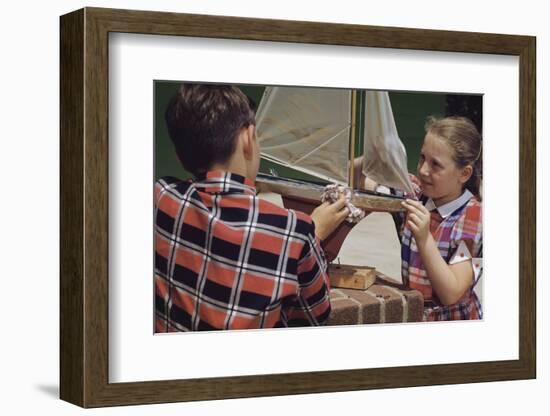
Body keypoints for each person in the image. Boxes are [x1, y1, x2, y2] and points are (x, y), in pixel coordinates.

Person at [155, 83, 349, 331]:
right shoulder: (294, 232)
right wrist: (314, 233)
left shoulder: (161, 198)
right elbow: (315, 317)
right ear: (248, 137)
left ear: (179, 156)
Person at [357, 116, 483, 321]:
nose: (423, 170)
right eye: (423, 158)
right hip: (414, 317)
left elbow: (452, 293)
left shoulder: (474, 217)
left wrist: (424, 239)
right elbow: (357, 180)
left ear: (464, 173)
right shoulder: (414, 194)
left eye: (436, 165)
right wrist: (373, 155)